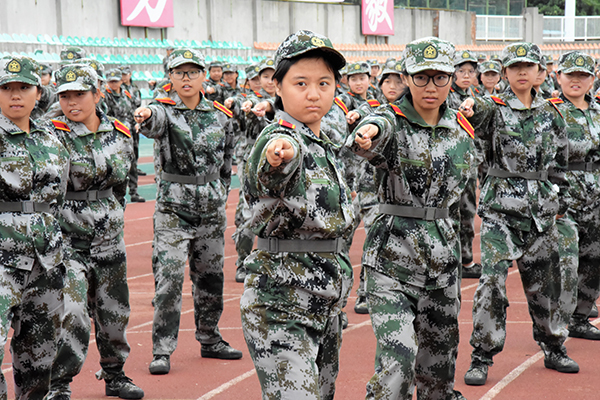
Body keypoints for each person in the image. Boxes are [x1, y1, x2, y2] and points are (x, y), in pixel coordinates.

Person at [346, 37, 472, 400]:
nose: (430, 87)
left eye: (439, 77)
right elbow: (374, 129)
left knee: (438, 369)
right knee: (398, 363)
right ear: (405, 78)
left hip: (442, 259)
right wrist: (366, 134)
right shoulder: (391, 120)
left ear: (451, 79)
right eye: (421, 77)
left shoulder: (460, 129)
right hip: (392, 259)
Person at [240, 29, 354, 400]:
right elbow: (274, 161)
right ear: (277, 86)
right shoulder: (279, 137)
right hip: (281, 301)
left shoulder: (323, 141)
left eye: (324, 83)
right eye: (300, 83)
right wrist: (279, 155)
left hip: (326, 299)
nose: (314, 94)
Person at [460, 42, 578, 386]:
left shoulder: (552, 113)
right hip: (500, 212)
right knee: (491, 284)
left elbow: (560, 164)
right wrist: (470, 105)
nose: (522, 72)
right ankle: (482, 356)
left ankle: (553, 347)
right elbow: (476, 111)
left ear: (540, 72)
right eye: (514, 67)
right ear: (505, 72)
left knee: (546, 287)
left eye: (529, 66)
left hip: (541, 213)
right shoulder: (494, 109)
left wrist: (559, 204)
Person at [134, 48, 241, 376]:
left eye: (193, 72)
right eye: (179, 72)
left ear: (203, 76)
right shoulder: (164, 112)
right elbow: (151, 121)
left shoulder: (220, 115)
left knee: (210, 277)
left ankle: (210, 338)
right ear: (170, 77)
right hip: (173, 210)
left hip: (210, 209)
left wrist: (220, 193)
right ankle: (162, 349)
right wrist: (144, 114)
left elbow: (227, 161)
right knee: (168, 279)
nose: (186, 78)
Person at [46, 64, 143, 400]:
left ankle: (115, 375)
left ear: (97, 93)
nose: (71, 102)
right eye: (64, 95)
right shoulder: (51, 134)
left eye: (79, 94)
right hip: (68, 241)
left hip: (109, 240)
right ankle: (59, 383)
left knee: (114, 314)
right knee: (72, 313)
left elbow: (121, 187)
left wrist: (112, 218)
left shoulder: (120, 133)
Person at [0, 55, 69, 399]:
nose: (15, 95)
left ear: (38, 93)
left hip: (45, 259)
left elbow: (59, 195)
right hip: (2, 257)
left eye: (24, 87)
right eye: (6, 88)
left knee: (40, 351)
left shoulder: (51, 138)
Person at [552, 51, 600, 340]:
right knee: (566, 266)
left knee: (594, 259)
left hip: (596, 195)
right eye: (571, 75)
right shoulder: (549, 112)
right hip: (563, 196)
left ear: (592, 80)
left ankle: (581, 318)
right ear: (559, 77)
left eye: (583, 75)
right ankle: (556, 327)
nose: (576, 80)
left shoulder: (598, 112)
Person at [447, 49, 482, 280]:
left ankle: (466, 259)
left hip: (469, 164)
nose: (467, 75)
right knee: (449, 212)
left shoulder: (476, 97)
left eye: (471, 71)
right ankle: (449, 260)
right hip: (450, 163)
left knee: (468, 211)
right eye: (462, 71)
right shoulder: (446, 96)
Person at [104, 69, 145, 203]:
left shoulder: (127, 94)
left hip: (128, 134)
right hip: (112, 136)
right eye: (111, 82)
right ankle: (114, 196)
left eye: (116, 81)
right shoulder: (105, 97)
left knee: (132, 163)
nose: (113, 84)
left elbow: (132, 112)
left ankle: (134, 191)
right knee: (114, 166)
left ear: (121, 81)